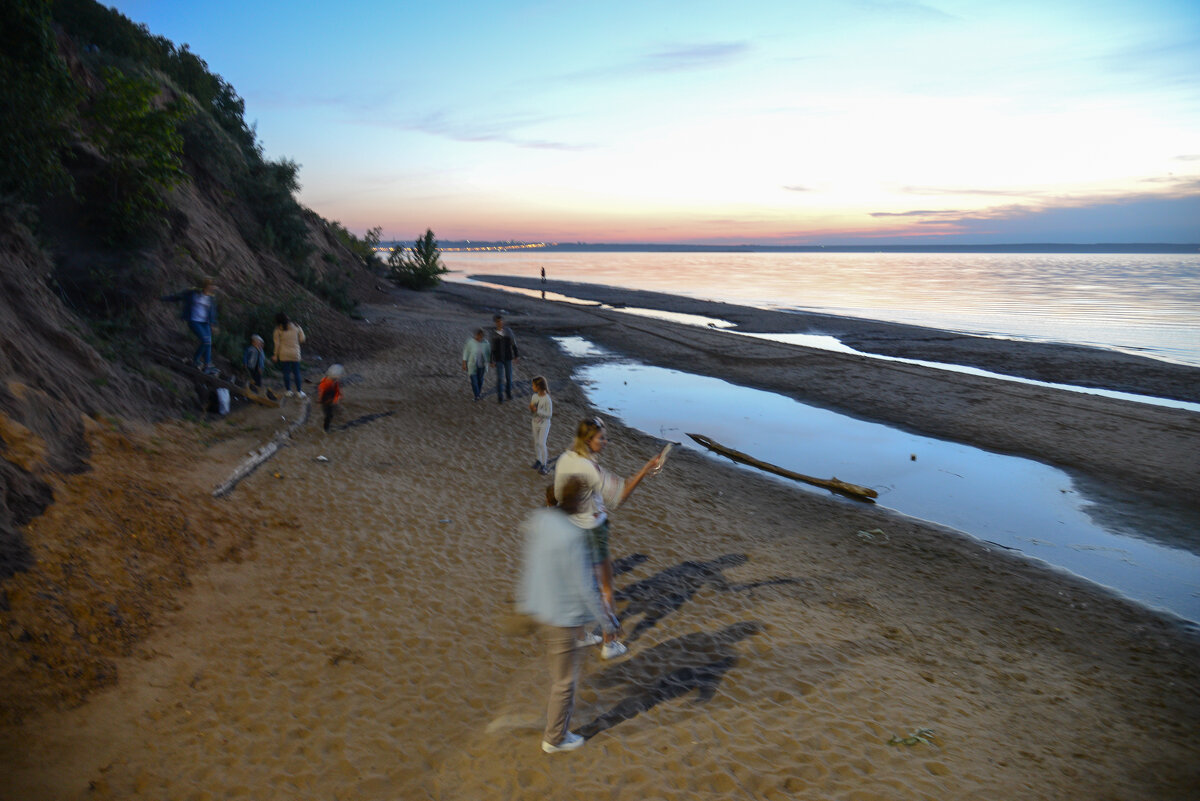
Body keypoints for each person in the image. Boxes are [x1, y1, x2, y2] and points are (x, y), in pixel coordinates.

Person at [553, 417, 669, 660]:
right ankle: (610, 642)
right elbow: (619, 496)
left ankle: (581, 635)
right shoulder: (590, 468)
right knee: (605, 587)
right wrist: (646, 469)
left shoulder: (565, 458)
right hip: (593, 530)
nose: (605, 442)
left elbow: (557, 494)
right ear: (588, 440)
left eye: (606, 437)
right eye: (601, 438)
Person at [517, 476, 618, 754]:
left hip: (543, 608)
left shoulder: (542, 519)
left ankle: (555, 731)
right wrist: (608, 620)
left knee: (560, 674)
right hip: (562, 617)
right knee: (564, 684)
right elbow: (586, 588)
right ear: (578, 502)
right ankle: (555, 738)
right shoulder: (573, 535)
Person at [163, 278, 218, 371]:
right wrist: (164, 298)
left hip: (205, 323)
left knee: (208, 343)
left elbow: (212, 312)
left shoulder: (211, 297)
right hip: (194, 321)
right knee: (206, 341)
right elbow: (178, 297)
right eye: (211, 285)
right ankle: (196, 359)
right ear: (206, 286)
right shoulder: (193, 293)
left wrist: (213, 324)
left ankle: (207, 364)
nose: (213, 288)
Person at [273, 312, 307, 398]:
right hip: (295, 353)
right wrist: (295, 342)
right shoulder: (296, 326)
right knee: (296, 372)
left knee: (286, 373)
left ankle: (288, 391)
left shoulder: (277, 330)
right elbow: (302, 339)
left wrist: (275, 355)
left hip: (283, 353)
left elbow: (277, 344)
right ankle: (299, 392)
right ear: (287, 318)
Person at [489, 314, 519, 404]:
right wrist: (491, 361)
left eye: (501, 321)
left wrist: (516, 355)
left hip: (508, 358)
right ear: (495, 323)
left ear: (503, 321)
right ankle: (500, 397)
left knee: (509, 378)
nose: (500, 323)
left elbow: (513, 344)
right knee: (499, 379)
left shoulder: (508, 331)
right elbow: (492, 348)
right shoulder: (493, 334)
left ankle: (508, 393)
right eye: (498, 321)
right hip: (498, 359)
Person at [529, 376, 553, 473]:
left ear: (538, 386)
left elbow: (549, 414)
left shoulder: (547, 399)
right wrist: (531, 409)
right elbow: (532, 410)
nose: (532, 387)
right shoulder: (534, 397)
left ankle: (544, 464)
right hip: (535, 422)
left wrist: (537, 410)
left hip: (544, 424)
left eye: (533, 385)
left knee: (542, 443)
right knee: (536, 442)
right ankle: (538, 460)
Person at [461, 328, 491, 401]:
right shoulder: (470, 342)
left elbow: (489, 353)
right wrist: (464, 363)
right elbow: (466, 353)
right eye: (478, 335)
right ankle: (477, 396)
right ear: (475, 335)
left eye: (481, 336)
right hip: (472, 365)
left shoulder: (486, 343)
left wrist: (491, 362)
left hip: (482, 365)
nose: (480, 337)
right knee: (474, 381)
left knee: (480, 380)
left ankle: (478, 393)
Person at [317, 364, 344, 433]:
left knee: (330, 415)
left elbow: (337, 390)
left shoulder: (332, 382)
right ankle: (326, 429)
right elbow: (322, 393)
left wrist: (337, 398)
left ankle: (327, 426)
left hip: (330, 401)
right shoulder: (325, 383)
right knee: (328, 416)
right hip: (326, 402)